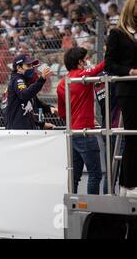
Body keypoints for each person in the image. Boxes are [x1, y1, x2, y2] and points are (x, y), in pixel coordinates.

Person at [57, 47, 105, 195]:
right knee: (95, 174)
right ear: (79, 61)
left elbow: (62, 113)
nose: (87, 62)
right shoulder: (83, 77)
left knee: (75, 176)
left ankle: (73, 207)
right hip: (85, 132)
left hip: (72, 131)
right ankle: (93, 210)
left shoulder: (61, 83)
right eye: (85, 59)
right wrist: (112, 53)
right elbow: (99, 68)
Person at [104, 0, 137, 197]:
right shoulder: (117, 33)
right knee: (133, 138)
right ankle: (128, 184)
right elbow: (109, 65)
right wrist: (130, 71)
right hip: (128, 90)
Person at [5, 54, 54, 130]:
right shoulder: (18, 80)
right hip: (18, 132)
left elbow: (35, 103)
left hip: (25, 130)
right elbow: (25, 95)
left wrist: (50, 108)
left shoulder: (25, 81)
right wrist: (41, 79)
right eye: (28, 66)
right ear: (19, 68)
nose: (31, 68)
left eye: (32, 66)